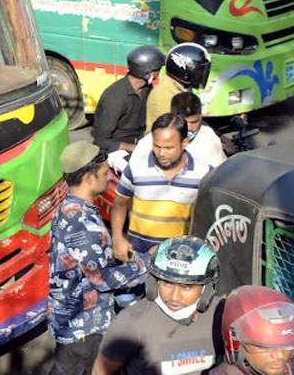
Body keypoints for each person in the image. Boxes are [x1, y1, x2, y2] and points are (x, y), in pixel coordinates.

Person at [49, 141, 149, 375]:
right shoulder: (84, 225)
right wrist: (145, 264)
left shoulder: (68, 207)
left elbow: (89, 260)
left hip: (70, 319)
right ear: (89, 178)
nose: (109, 176)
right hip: (84, 327)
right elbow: (100, 280)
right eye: (105, 172)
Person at [94, 236, 222, 374]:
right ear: (154, 282)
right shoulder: (130, 323)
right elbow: (101, 372)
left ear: (206, 288)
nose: (174, 297)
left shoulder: (222, 314)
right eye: (167, 283)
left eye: (186, 287)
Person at [112, 113, 212, 259]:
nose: (161, 153)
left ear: (184, 143)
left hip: (179, 258)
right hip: (137, 255)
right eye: (156, 146)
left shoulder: (203, 173)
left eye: (168, 148)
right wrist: (117, 237)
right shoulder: (136, 166)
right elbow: (119, 204)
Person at [211, 285, 294, 375]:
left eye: (286, 346)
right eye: (265, 348)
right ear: (236, 344)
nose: (280, 356)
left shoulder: (292, 369)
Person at [93, 45, 166, 155]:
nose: (159, 73)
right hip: (117, 151)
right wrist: (134, 148)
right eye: (158, 69)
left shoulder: (146, 89)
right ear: (148, 72)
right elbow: (100, 141)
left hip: (138, 141)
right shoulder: (116, 98)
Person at [131, 92, 227, 168]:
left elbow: (220, 172)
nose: (189, 128)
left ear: (201, 118)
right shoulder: (150, 142)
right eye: (184, 122)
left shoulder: (209, 137)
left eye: (194, 122)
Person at [146, 43, 210, 133]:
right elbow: (170, 132)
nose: (201, 75)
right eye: (199, 71)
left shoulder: (179, 88)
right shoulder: (164, 95)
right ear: (184, 69)